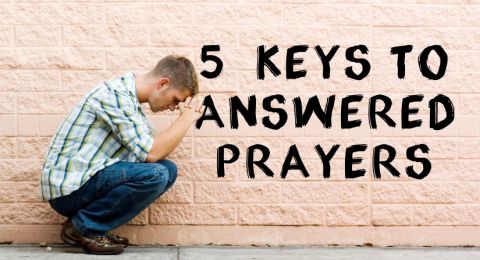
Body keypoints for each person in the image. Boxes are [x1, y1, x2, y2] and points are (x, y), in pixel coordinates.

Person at [40, 55, 205, 255]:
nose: (172, 107)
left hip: (86, 182)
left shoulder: (132, 106)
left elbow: (156, 147)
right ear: (163, 83)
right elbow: (151, 153)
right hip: (69, 189)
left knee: (168, 170)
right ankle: (82, 227)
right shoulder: (115, 96)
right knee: (157, 173)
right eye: (175, 100)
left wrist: (184, 118)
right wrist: (186, 119)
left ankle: (92, 229)